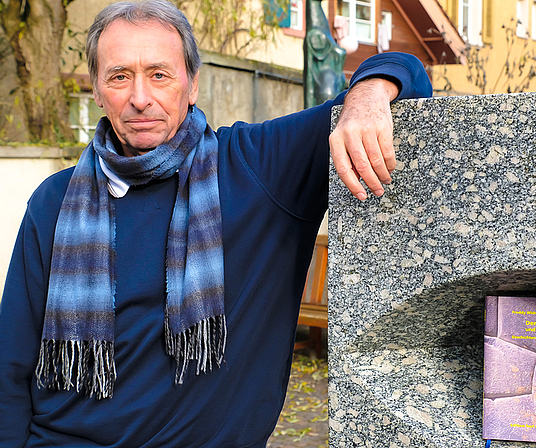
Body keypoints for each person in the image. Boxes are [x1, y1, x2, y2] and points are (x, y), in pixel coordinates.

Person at [0, 0, 432, 446]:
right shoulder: (54, 201)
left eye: (159, 74)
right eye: (119, 76)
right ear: (96, 89)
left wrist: (363, 102)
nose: (140, 97)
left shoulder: (257, 170)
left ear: (192, 85)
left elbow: (409, 73)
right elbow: (10, 364)